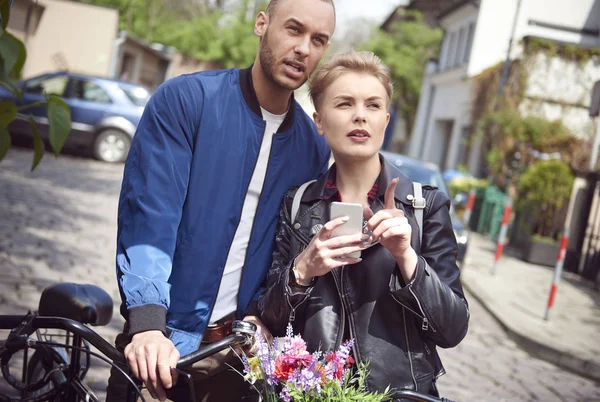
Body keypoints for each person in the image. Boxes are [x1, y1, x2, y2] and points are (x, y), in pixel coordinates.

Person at [106, 0, 336, 401]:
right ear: (261, 24)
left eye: (318, 40)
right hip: (161, 345)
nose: (304, 48)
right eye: (294, 30)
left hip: (243, 361)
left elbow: (285, 248)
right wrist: (146, 324)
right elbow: (149, 220)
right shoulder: (187, 100)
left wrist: (265, 317)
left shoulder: (313, 148)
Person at [258, 50, 470, 399]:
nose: (360, 116)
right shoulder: (297, 204)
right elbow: (272, 320)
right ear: (319, 121)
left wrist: (407, 259)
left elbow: (453, 329)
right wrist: (302, 270)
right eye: (344, 104)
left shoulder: (425, 207)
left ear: (385, 121)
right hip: (311, 393)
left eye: (373, 105)